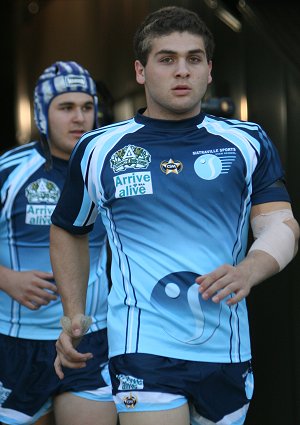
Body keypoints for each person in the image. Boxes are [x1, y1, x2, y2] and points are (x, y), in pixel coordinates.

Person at [50, 7, 299, 425]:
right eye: (167, 59)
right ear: (141, 71)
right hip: (142, 345)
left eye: (193, 59)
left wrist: (249, 270)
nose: (182, 71)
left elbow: (280, 224)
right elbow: (69, 229)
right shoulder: (98, 149)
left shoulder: (246, 141)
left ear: (209, 70)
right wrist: (73, 312)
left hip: (227, 348)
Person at [0, 61, 117, 425]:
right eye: (66, 107)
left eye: (86, 107)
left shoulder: (110, 168)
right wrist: (5, 278)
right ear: (41, 114)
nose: (79, 117)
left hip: (88, 338)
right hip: (14, 342)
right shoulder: (9, 169)